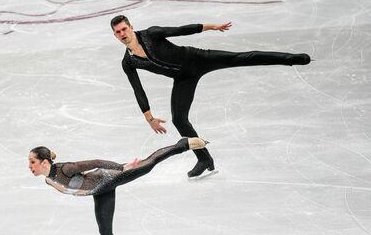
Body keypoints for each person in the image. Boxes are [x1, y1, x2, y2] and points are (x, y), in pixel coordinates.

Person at [111, 15, 311, 177]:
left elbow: (181, 30)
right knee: (179, 119)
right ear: (115, 35)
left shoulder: (151, 34)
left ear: (131, 27)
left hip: (198, 58)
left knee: (240, 58)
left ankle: (291, 59)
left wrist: (212, 27)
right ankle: (204, 158)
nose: (122, 34)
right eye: (118, 32)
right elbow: (138, 89)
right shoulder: (128, 62)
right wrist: (150, 119)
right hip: (183, 79)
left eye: (124, 29)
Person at [29, 137, 208, 235]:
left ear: (44, 162)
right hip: (100, 191)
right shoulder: (48, 180)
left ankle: (183, 144)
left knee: (149, 163)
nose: (30, 166)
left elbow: (97, 163)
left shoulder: (64, 169)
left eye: (32, 162)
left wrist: (122, 168)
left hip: (109, 177)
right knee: (105, 231)